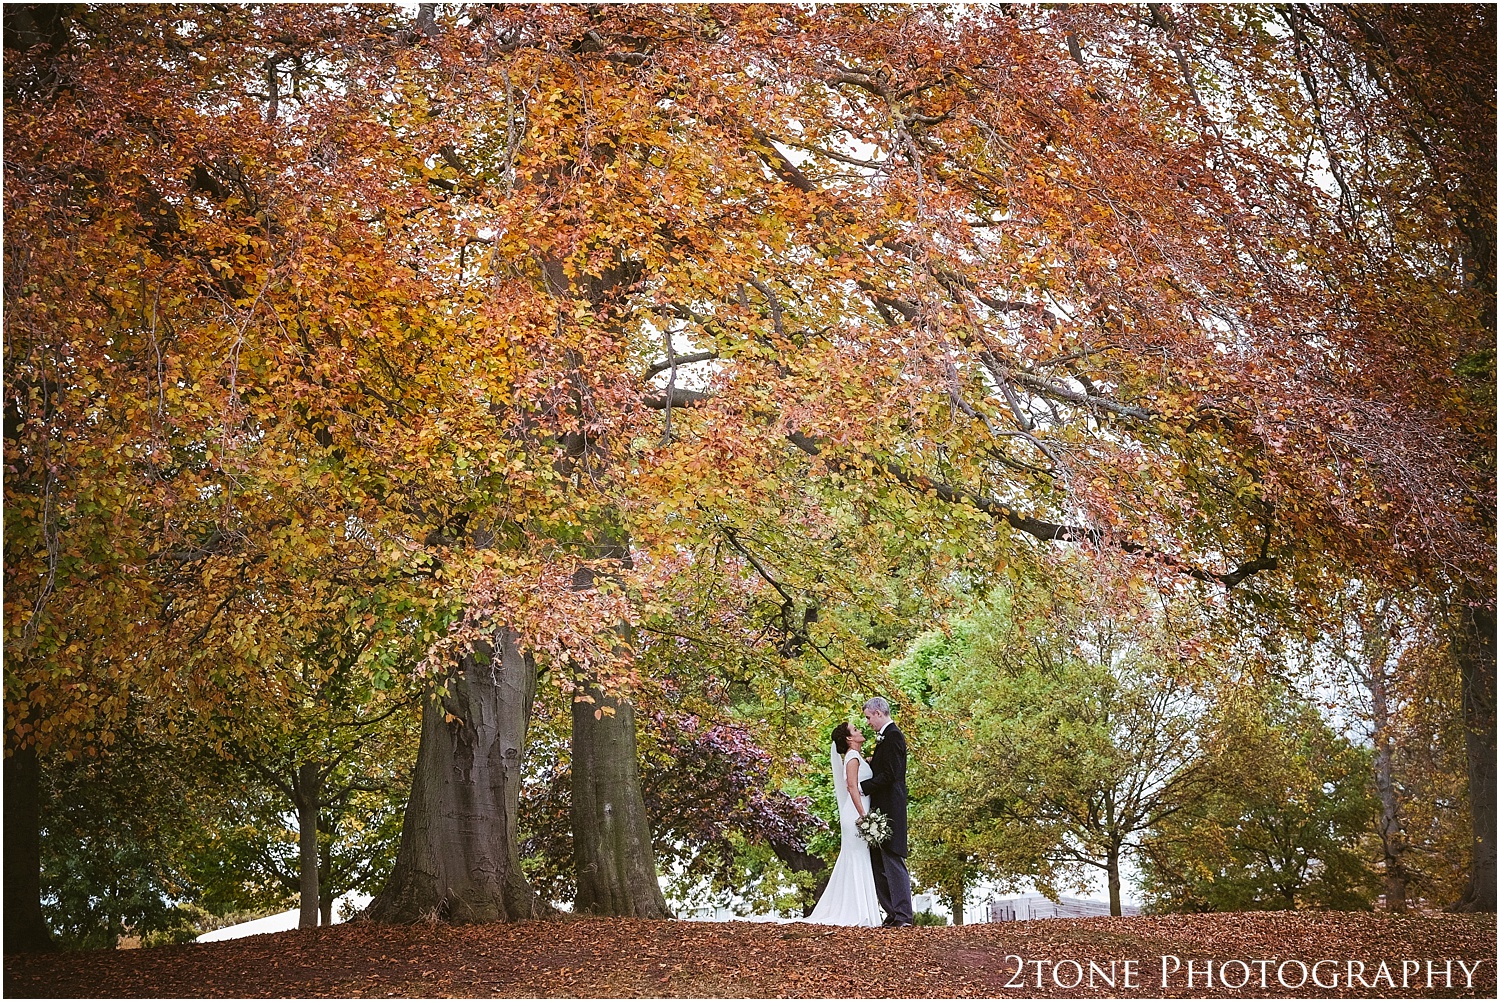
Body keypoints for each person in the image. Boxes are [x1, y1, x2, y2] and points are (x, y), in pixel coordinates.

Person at [805, 722, 884, 926]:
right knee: (857, 858)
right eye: (856, 730)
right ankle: (856, 911)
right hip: (856, 814)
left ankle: (862, 910)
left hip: (860, 810)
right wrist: (863, 815)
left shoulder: (857, 757)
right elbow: (851, 787)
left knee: (860, 858)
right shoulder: (851, 758)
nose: (860, 730)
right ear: (849, 739)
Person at [860, 696, 914, 927]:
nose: (868, 722)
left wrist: (862, 787)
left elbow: (890, 775)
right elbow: (886, 767)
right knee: (879, 862)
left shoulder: (892, 736)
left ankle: (903, 916)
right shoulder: (886, 739)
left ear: (879, 713)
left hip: (891, 808)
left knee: (892, 859)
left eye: (869, 717)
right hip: (882, 808)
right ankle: (892, 913)